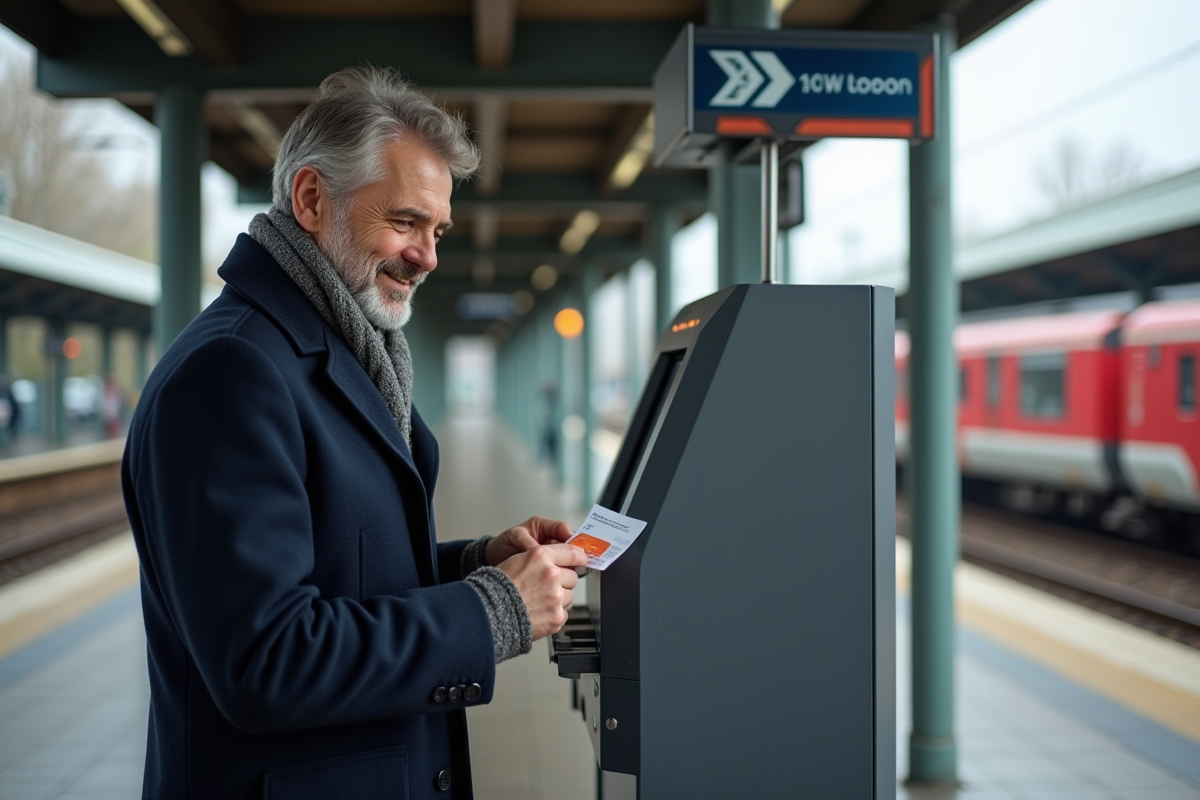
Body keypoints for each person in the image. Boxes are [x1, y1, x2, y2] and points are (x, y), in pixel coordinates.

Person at [121, 67, 588, 800]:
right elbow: (265, 659)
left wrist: (474, 564)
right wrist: (490, 609)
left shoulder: (340, 352)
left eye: (437, 231)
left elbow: (338, 572)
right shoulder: (231, 372)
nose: (428, 255)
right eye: (405, 221)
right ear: (312, 199)